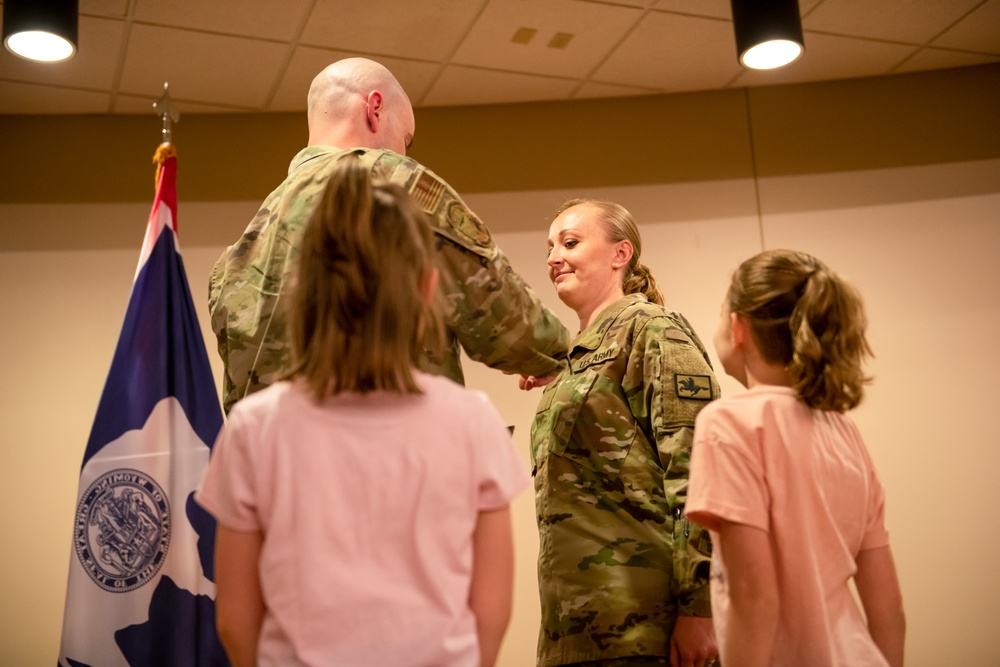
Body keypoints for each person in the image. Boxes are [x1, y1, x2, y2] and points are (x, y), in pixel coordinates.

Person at [196, 158, 530, 667]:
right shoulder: (473, 422)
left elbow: (236, 621)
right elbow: (490, 610)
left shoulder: (253, 428)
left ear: (305, 291)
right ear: (425, 290)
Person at [209, 56, 569, 413]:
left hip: (274, 462)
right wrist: (555, 352)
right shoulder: (393, 181)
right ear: (375, 108)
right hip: (387, 454)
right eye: (406, 139)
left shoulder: (244, 245)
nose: (404, 150)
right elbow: (502, 316)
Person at [523, 199, 721, 667]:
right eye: (550, 246)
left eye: (570, 243)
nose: (553, 257)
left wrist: (701, 610)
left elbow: (702, 473)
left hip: (644, 628)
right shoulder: (572, 360)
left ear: (621, 254)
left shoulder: (653, 330)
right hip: (572, 634)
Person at [685, 249, 906, 667]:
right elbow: (888, 608)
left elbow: (755, 597)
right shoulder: (844, 431)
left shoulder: (729, 423)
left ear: (738, 327)